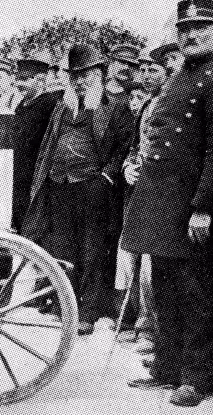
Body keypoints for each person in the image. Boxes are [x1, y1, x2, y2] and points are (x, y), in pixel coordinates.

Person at [121, 0, 213, 407]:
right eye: (185, 28)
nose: (191, 34)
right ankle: (168, 367)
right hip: (163, 199)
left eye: (201, 27)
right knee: (165, 285)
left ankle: (197, 379)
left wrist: (203, 206)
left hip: (193, 202)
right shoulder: (180, 74)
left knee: (198, 289)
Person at [22, 43, 133, 335]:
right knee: (62, 247)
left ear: (99, 74)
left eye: (86, 75)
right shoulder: (62, 107)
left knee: (92, 248)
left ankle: (88, 312)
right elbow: (47, 144)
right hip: (59, 184)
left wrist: (107, 176)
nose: (80, 81)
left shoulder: (116, 108)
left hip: (92, 187)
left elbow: (124, 147)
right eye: (75, 76)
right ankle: (67, 305)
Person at [116, 50, 169, 354]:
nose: (147, 75)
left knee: (152, 262)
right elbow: (135, 147)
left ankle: (152, 331)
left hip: (161, 193)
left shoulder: (170, 102)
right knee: (131, 256)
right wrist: (128, 167)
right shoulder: (148, 104)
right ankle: (142, 323)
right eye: (145, 70)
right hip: (139, 190)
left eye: (154, 70)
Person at [11, 55, 63, 230]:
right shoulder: (21, 105)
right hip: (20, 174)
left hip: (38, 175)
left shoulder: (50, 103)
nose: (19, 84)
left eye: (25, 80)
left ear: (40, 80)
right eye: (18, 79)